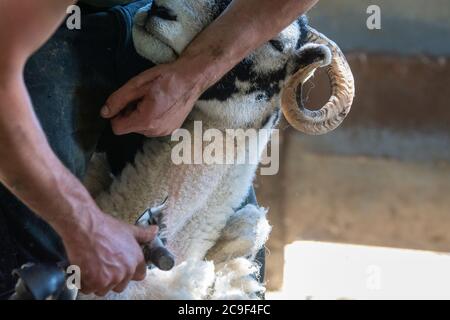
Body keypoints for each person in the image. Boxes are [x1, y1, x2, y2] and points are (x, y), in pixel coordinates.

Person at [0, 0, 319, 298]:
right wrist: (84, 226)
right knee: (37, 254)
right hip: (44, 33)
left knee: (231, 262)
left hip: (190, 23)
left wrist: (193, 77)